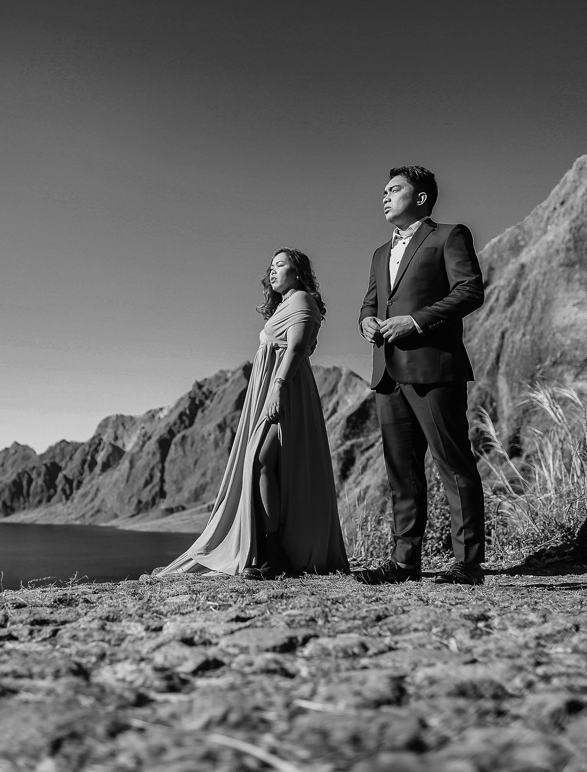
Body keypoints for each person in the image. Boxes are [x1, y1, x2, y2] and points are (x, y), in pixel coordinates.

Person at [157, 248, 349, 579]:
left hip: (287, 389)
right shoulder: (285, 306)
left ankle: (273, 554)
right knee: (265, 462)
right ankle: (267, 551)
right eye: (270, 266)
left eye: (280, 265)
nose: (272, 271)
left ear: (298, 271)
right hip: (275, 388)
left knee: (261, 459)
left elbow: (298, 348)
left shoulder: (302, 300)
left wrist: (277, 388)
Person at [354, 166, 487, 586]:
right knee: (402, 474)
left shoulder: (449, 236)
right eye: (384, 191)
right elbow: (369, 304)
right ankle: (405, 563)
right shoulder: (379, 253)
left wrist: (416, 321)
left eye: (394, 190)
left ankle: (467, 565)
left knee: (454, 466)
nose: (385, 197)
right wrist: (366, 324)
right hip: (387, 374)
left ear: (422, 198)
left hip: (434, 369)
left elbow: (470, 290)